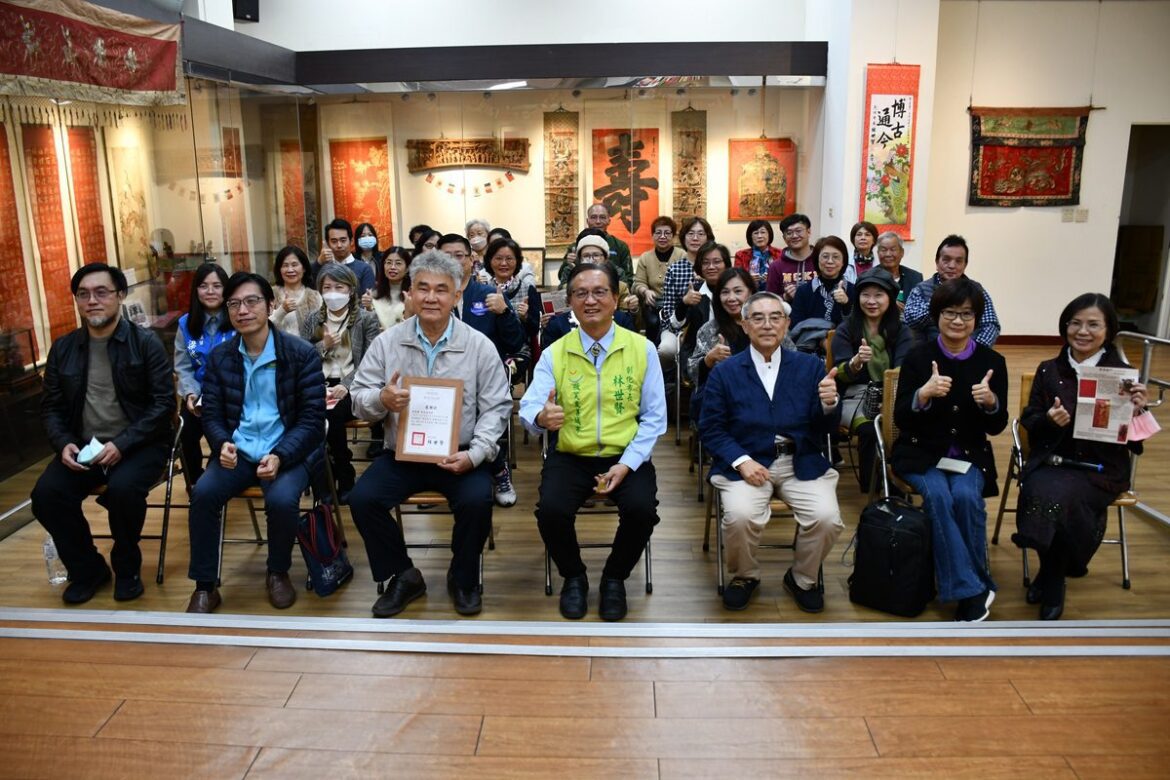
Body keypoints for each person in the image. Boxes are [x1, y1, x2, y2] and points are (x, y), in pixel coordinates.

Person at [348, 250, 512, 618]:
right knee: (362, 499)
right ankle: (404, 575)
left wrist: (476, 454)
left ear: (457, 296)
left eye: (442, 290)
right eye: (422, 288)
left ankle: (463, 576)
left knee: (476, 502)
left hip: (461, 453)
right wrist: (382, 399)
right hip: (403, 454)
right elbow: (358, 399)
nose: (431, 297)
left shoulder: (477, 345)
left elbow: (498, 407)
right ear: (410, 293)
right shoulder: (389, 342)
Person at [520, 262, 667, 621]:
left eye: (600, 292)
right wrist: (541, 417)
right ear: (569, 301)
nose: (590, 300)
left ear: (616, 299)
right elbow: (530, 404)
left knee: (642, 511)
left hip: (625, 454)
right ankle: (574, 576)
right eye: (580, 293)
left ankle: (615, 578)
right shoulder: (556, 351)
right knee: (551, 511)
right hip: (572, 453)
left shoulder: (641, 348)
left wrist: (627, 463)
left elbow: (654, 418)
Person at [185, 272, 326, 614]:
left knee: (280, 500)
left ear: (270, 305)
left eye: (251, 301)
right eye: (234, 304)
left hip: (287, 452)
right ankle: (205, 585)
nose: (242, 310)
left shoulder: (300, 354)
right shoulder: (221, 356)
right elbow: (213, 414)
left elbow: (311, 421)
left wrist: (280, 455)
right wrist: (221, 444)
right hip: (239, 451)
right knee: (202, 494)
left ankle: (277, 571)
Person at [32, 264, 174, 604]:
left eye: (102, 292)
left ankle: (126, 567)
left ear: (120, 296)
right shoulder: (64, 348)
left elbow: (163, 405)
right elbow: (51, 407)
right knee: (47, 496)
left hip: (140, 443)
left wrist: (122, 443)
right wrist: (63, 443)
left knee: (124, 489)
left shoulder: (145, 343)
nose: (92, 301)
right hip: (84, 446)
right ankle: (88, 570)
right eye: (83, 294)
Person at [699, 291, 844, 612]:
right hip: (745, 462)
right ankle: (745, 575)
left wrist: (829, 403)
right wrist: (740, 460)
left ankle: (802, 578)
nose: (767, 325)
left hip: (800, 460)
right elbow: (710, 428)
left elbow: (826, 428)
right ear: (745, 325)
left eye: (775, 317)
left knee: (827, 518)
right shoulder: (726, 371)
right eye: (758, 318)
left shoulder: (809, 367)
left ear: (787, 324)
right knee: (739, 516)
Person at [1013, 294, 1147, 620]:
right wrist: (1047, 419)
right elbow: (1029, 420)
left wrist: (1136, 412)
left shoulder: (1123, 376)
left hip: (1100, 468)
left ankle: (1052, 578)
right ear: (1065, 325)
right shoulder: (1049, 370)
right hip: (1054, 460)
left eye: (1093, 324)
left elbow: (1136, 442)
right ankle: (1052, 573)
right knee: (1041, 490)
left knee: (1063, 498)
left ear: (1109, 330)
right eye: (1076, 323)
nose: (1082, 331)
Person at [891, 277, 1008, 622]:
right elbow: (901, 418)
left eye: (967, 315)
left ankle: (967, 585)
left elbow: (996, 427)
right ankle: (974, 588)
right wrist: (922, 395)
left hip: (968, 455)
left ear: (977, 319)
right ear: (936, 315)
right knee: (939, 497)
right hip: (919, 452)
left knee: (967, 498)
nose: (958, 321)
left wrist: (991, 403)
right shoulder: (918, 358)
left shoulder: (992, 362)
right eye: (950, 313)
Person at [438, 233, 526, 507]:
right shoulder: (433, 295)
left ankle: (499, 470)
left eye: (459, 255)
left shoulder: (487, 294)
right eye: (446, 256)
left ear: (471, 259)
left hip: (486, 379)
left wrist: (504, 312)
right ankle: (435, 474)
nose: (453, 260)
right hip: (443, 379)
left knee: (479, 409)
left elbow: (514, 342)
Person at [300, 264, 381, 499]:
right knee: (311, 414)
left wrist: (346, 385)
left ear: (351, 289)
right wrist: (323, 346)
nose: (333, 292)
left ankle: (342, 473)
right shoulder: (313, 319)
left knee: (332, 415)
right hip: (318, 384)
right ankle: (325, 478)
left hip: (353, 385)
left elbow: (370, 362)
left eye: (339, 287)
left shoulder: (366, 319)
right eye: (327, 287)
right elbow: (302, 358)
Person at [829, 267, 914, 492]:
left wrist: (889, 399)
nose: (871, 301)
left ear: (890, 298)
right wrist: (856, 362)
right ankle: (873, 485)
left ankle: (901, 479)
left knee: (906, 424)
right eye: (866, 295)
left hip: (893, 394)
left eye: (879, 295)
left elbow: (903, 370)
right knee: (868, 430)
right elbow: (840, 371)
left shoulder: (902, 330)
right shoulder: (847, 328)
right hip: (855, 396)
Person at [175, 262, 235, 485]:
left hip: (231, 396)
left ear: (226, 290)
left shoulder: (238, 318)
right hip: (197, 396)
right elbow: (182, 366)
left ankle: (215, 480)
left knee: (221, 437)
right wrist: (190, 394)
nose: (210, 292)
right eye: (203, 286)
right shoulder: (185, 324)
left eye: (217, 286)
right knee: (186, 434)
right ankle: (196, 484)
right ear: (195, 290)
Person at [686, 268, 755, 426]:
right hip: (723, 399)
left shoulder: (767, 325)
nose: (731, 298)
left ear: (750, 293)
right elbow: (691, 372)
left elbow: (790, 358)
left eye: (738, 291)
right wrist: (709, 359)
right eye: (725, 292)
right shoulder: (709, 330)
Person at [904, 235, 1000, 346]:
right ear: (937, 262)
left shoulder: (977, 290)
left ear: (965, 265)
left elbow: (990, 324)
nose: (952, 266)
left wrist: (975, 350)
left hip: (970, 351)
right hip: (931, 352)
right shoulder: (921, 289)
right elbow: (911, 322)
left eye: (958, 261)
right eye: (946, 260)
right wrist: (940, 298)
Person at [485, 236, 541, 379]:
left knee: (501, 371)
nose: (504, 263)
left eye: (509, 259)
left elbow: (535, 329)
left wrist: (526, 318)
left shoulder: (528, 289)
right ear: (490, 261)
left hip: (517, 350)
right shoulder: (482, 290)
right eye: (498, 258)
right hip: (486, 348)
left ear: (517, 262)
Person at [660, 216, 715, 361]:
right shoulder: (675, 269)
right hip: (679, 326)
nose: (695, 238)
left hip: (714, 325)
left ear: (708, 238)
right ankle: (672, 380)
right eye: (690, 234)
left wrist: (708, 284)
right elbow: (668, 309)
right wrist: (680, 332)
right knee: (666, 350)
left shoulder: (715, 267)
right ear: (684, 238)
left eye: (700, 234)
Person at [675, 241, 733, 369]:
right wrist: (684, 303)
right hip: (699, 354)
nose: (711, 267)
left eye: (717, 261)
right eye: (705, 263)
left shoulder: (735, 292)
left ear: (726, 264)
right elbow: (676, 324)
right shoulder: (694, 292)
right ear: (699, 267)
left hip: (733, 350)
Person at [631, 216, 686, 347]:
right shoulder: (645, 257)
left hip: (676, 304)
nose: (662, 236)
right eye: (658, 233)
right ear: (653, 235)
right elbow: (638, 283)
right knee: (653, 322)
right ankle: (653, 352)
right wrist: (646, 291)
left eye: (667, 233)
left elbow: (685, 283)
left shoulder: (682, 255)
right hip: (653, 304)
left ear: (673, 236)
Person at [558, 203, 634, 287]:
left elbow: (628, 279)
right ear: (587, 221)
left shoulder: (620, 246)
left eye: (602, 217)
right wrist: (567, 263)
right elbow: (562, 278)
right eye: (593, 217)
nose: (598, 222)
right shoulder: (575, 246)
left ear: (609, 221)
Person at [791, 235, 854, 329]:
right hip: (809, 343)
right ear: (817, 260)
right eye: (825, 256)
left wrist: (846, 304)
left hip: (843, 343)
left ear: (843, 262)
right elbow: (796, 327)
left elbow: (857, 327)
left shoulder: (853, 290)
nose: (830, 261)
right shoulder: (803, 291)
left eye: (836, 257)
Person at [312, 218, 376, 294]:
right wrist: (319, 262)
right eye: (334, 241)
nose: (339, 245)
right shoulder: (323, 267)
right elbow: (308, 284)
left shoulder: (365, 269)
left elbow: (367, 300)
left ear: (351, 241)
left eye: (343, 240)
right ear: (328, 243)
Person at [271, 245, 323, 337]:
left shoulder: (314, 296)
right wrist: (282, 310)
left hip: (305, 350)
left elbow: (320, 330)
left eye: (294, 265)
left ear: (304, 268)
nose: (290, 270)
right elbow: (262, 326)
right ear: (279, 270)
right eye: (285, 265)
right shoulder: (270, 294)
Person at [765, 213, 815, 301]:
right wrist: (785, 297)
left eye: (798, 231)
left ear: (808, 232)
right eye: (789, 233)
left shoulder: (820, 261)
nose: (794, 236)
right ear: (784, 237)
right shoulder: (776, 267)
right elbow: (769, 299)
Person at [366, 245, 413, 331]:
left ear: (407, 269)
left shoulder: (412, 295)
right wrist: (368, 308)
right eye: (388, 262)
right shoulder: (373, 294)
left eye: (398, 263)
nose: (392, 267)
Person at [874, 231, 923, 311]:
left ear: (902, 252)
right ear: (878, 253)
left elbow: (919, 308)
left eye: (893, 250)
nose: (888, 254)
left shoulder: (915, 278)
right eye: (883, 250)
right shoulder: (867, 277)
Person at [733, 219, 781, 290]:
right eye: (756, 233)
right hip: (749, 293)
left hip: (774, 292)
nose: (759, 236)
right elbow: (736, 278)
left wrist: (772, 278)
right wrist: (748, 279)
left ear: (769, 234)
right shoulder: (741, 255)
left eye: (763, 232)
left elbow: (785, 276)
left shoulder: (779, 253)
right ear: (750, 236)